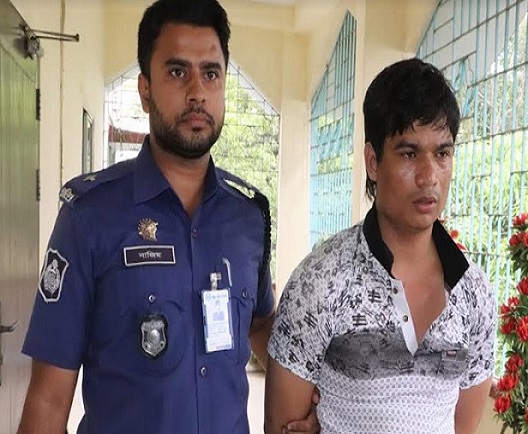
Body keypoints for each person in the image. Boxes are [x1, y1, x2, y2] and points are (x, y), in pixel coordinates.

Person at [17, 1, 318, 433]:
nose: (197, 91)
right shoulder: (90, 217)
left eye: (211, 73)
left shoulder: (247, 217)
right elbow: (48, 399)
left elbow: (261, 323)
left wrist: (319, 395)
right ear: (145, 90)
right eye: (178, 72)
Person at [264, 58, 497, 434]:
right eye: (409, 154)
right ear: (373, 162)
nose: (429, 177)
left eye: (442, 153)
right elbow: (282, 426)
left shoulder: (475, 294)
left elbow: (463, 427)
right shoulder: (320, 282)